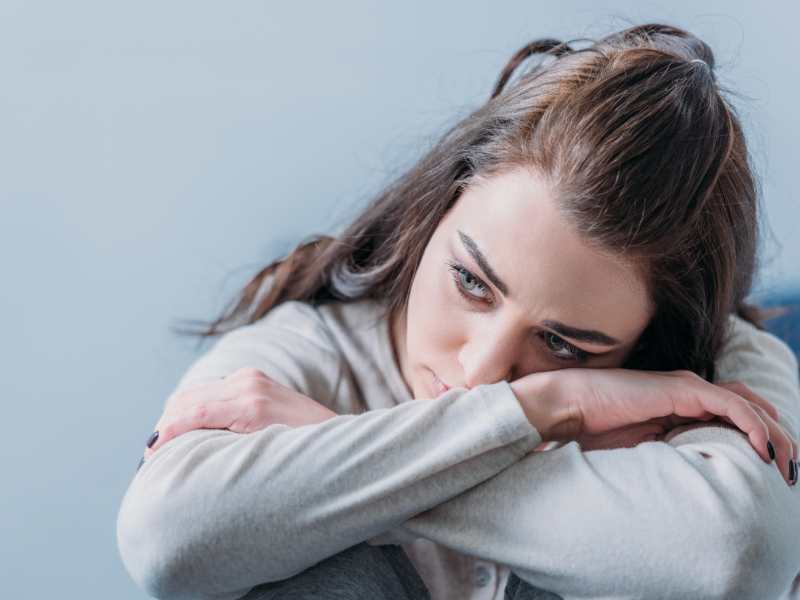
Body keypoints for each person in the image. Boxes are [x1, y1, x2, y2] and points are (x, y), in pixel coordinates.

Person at [118, 24, 800, 600]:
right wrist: (550, 401)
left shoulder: (713, 374)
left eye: (563, 344)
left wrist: (336, 449)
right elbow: (166, 538)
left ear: (650, 341)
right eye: (472, 282)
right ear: (438, 208)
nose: (481, 374)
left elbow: (736, 555)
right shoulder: (306, 353)